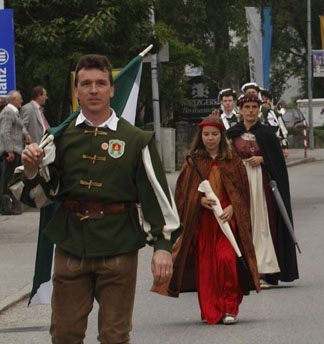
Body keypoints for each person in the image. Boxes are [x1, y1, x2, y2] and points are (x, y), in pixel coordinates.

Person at [15, 54, 178, 343]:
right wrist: (30, 169)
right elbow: (40, 197)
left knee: (115, 336)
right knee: (64, 335)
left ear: (111, 89)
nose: (93, 90)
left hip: (119, 246)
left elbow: (156, 196)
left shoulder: (135, 140)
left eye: (101, 83)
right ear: (76, 90)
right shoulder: (58, 138)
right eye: (86, 84)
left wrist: (163, 247)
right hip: (70, 247)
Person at [152, 114, 259, 324]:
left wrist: (232, 208)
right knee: (207, 267)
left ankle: (229, 308)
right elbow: (183, 195)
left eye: (214, 134)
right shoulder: (193, 162)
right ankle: (212, 310)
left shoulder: (233, 161)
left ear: (221, 136)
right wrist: (199, 201)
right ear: (200, 136)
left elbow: (242, 194)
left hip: (227, 221)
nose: (210, 138)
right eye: (206, 134)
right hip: (204, 223)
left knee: (226, 260)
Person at [226, 94, 298, 286]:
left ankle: (264, 269)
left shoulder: (266, 133)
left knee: (262, 223)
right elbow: (225, 158)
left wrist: (263, 159)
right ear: (240, 110)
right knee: (243, 223)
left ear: (259, 110)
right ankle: (244, 270)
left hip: (262, 184)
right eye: (247, 107)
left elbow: (278, 160)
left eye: (254, 107)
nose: (251, 111)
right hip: (240, 182)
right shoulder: (232, 133)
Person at [1, 90, 30, 215]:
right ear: (13, 99)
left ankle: (11, 204)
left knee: (12, 177)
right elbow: (4, 131)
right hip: (11, 150)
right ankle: (6, 206)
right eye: (20, 98)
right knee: (8, 179)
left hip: (16, 149)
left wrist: (26, 134)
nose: (21, 101)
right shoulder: (8, 111)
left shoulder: (14, 112)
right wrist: (9, 150)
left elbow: (19, 127)